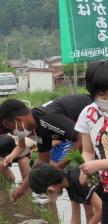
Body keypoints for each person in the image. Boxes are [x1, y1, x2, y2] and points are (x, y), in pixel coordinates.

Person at [0, 94, 93, 201]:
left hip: (99, 115)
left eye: (12, 128)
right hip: (90, 132)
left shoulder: (46, 119)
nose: (14, 132)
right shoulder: (40, 129)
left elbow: (79, 140)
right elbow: (42, 161)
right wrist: (22, 189)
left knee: (88, 176)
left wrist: (59, 166)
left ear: (18, 120)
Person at [74, 60, 108, 223]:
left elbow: (97, 163)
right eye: (101, 95)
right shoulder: (88, 114)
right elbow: (87, 151)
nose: (105, 99)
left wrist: (98, 165)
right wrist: (84, 169)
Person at [29, 163, 102, 224]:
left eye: (46, 194)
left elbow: (101, 210)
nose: (49, 197)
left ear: (50, 190)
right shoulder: (68, 183)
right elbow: (75, 218)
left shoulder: (78, 180)